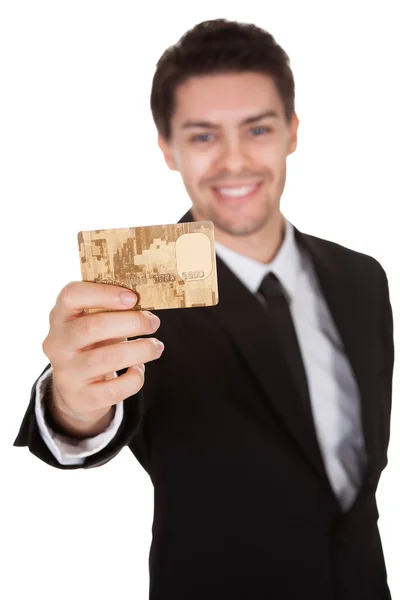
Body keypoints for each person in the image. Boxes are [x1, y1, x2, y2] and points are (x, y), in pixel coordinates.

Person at [14, 18, 394, 600]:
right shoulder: (141, 291)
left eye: (257, 129)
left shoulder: (364, 278)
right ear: (167, 148)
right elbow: (90, 412)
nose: (235, 161)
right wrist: (70, 400)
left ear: (292, 131)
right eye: (202, 136)